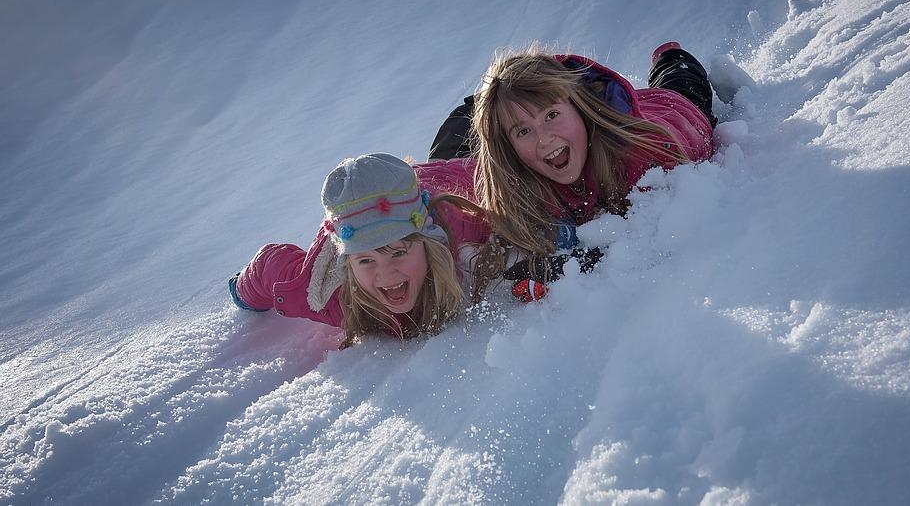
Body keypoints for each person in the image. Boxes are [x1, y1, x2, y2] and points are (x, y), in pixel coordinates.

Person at [432, 42, 717, 298]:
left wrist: (577, 262)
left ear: (579, 108)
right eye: (523, 132)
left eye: (552, 115)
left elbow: (648, 237)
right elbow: (449, 184)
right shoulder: (517, 173)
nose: (545, 139)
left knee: (681, 81)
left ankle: (669, 55)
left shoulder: (643, 155)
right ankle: (487, 105)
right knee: (455, 145)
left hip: (674, 109)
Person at [229, 153, 489, 346]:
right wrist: (243, 292)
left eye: (398, 252)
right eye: (365, 260)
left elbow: (495, 183)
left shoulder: (460, 226)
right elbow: (269, 267)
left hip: (450, 175)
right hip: (375, 210)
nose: (385, 274)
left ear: (427, 243)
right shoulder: (328, 295)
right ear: (347, 264)